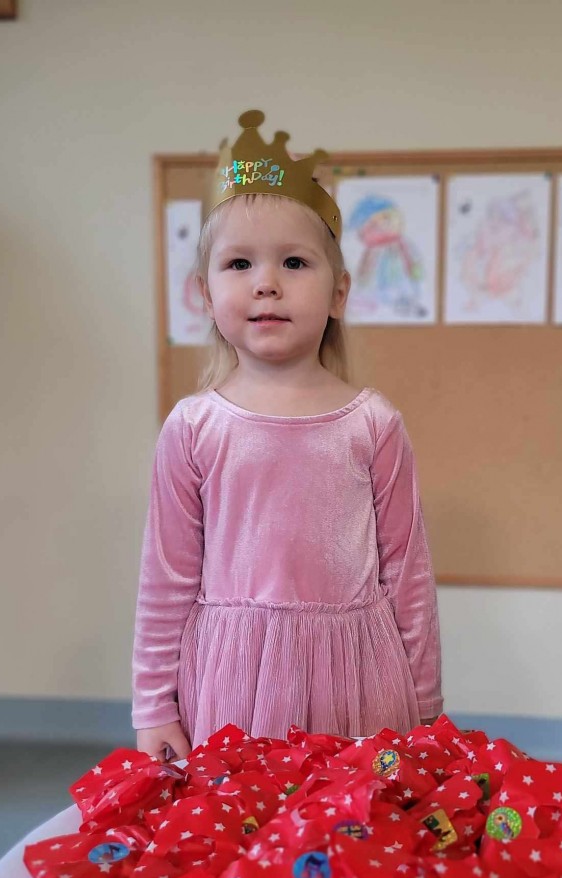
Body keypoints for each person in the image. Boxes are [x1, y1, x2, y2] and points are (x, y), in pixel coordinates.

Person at [132, 110, 442, 762]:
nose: (266, 282)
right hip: (233, 680)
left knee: (353, 816)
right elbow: (166, 580)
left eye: (294, 262)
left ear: (338, 293)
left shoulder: (372, 424)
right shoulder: (193, 427)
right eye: (239, 263)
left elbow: (407, 574)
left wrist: (425, 706)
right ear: (205, 294)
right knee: (244, 816)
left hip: (356, 678)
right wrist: (154, 706)